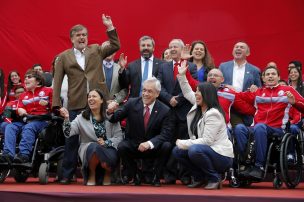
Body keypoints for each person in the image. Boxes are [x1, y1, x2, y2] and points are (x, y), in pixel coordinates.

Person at [52, 14, 120, 184]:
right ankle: (66, 175)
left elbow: (115, 45)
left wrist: (109, 27)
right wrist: (56, 105)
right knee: (71, 140)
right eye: (78, 35)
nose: (82, 37)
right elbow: (57, 82)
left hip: (99, 104)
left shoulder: (96, 49)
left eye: (84, 35)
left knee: (103, 138)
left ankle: (105, 174)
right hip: (76, 103)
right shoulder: (63, 57)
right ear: (72, 38)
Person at [234, 66, 304, 180]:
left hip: (278, 130)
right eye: (267, 74)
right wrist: (224, 88)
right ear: (263, 78)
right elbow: (237, 96)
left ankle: (259, 167)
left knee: (260, 127)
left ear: (279, 77)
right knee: (239, 128)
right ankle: (245, 164)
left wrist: (295, 103)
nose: (270, 76)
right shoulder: (258, 92)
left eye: (273, 74)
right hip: (258, 127)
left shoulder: (288, 90)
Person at [173, 69, 233, 189]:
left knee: (194, 149)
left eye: (199, 92)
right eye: (196, 91)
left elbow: (207, 141)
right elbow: (186, 92)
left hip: (222, 156)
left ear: (207, 95)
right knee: (177, 151)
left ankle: (214, 178)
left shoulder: (213, 114)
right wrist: (181, 75)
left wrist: (184, 142)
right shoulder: (198, 105)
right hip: (206, 151)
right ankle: (199, 177)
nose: (196, 94)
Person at [107, 77, 173, 187]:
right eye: (144, 90)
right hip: (135, 144)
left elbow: (166, 134)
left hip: (153, 146)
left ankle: (156, 176)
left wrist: (150, 143)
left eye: (149, 91)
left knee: (166, 146)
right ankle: (136, 174)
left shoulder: (165, 110)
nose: (145, 94)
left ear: (157, 94)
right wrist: (110, 111)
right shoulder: (132, 103)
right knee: (122, 147)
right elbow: (115, 118)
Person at [60, 89, 123, 186]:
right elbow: (68, 133)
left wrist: (106, 143)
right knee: (94, 147)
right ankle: (91, 174)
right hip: (89, 149)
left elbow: (119, 137)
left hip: (108, 148)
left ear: (102, 100)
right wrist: (67, 118)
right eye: (89, 97)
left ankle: (107, 173)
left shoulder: (110, 116)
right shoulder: (81, 117)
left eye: (94, 96)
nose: (91, 99)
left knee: (103, 152)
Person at [157, 39, 197, 185]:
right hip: (167, 110)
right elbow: (159, 85)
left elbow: (193, 87)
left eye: (175, 46)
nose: (172, 49)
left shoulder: (191, 66)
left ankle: (185, 175)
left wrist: (178, 99)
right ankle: (169, 174)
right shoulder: (163, 66)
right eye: (170, 46)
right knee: (167, 143)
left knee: (184, 144)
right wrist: (169, 98)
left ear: (182, 49)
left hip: (184, 110)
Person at [0, 69, 52, 164]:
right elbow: (20, 108)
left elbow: (56, 107)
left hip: (42, 121)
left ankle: (24, 155)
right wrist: (21, 111)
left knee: (29, 127)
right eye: (25, 78)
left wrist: (48, 104)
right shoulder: (23, 95)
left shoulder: (48, 91)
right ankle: (8, 154)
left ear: (38, 81)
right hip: (26, 120)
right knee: (10, 126)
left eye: (29, 77)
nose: (26, 79)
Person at [219, 41, 261, 127]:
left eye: (242, 47)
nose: (238, 48)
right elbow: (216, 84)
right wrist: (225, 86)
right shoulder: (223, 66)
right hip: (227, 106)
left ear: (248, 53)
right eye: (236, 47)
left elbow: (260, 90)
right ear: (232, 51)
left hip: (246, 107)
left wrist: (256, 89)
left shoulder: (255, 70)